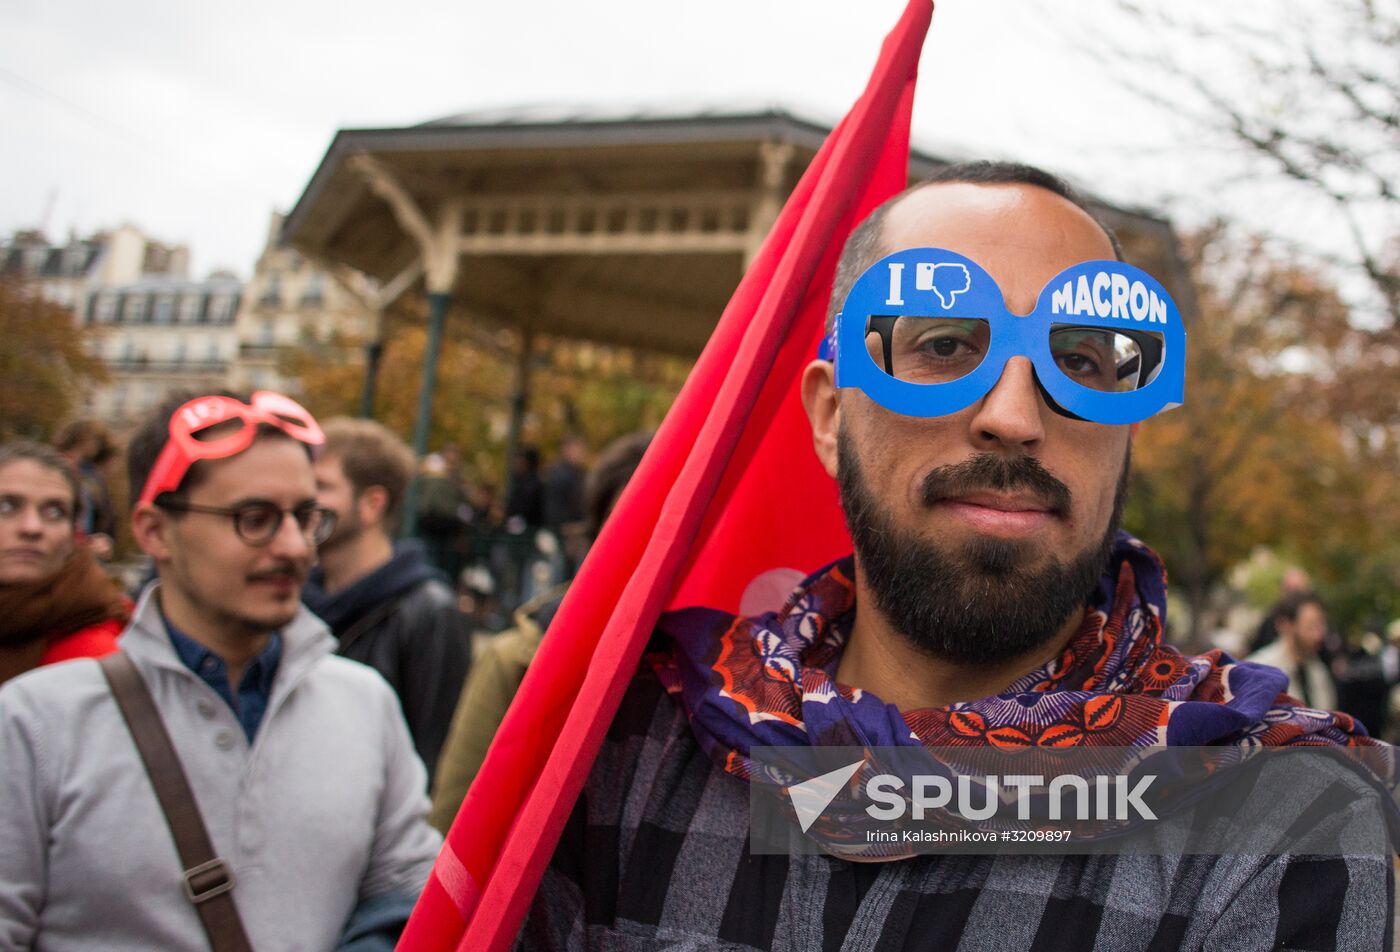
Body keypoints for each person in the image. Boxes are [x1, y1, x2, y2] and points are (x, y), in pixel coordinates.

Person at [516, 163, 1393, 950]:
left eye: (1082, 357)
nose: (1013, 414)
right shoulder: (630, 744)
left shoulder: (1280, 820)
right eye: (943, 344)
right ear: (830, 417)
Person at [0, 391, 441, 950]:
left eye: (306, 517)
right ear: (155, 530)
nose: (293, 547)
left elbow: (404, 894)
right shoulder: (36, 721)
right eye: (253, 518)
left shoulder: (365, 703)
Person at [430, 430, 651, 833]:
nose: (662, 552)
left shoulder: (771, 685)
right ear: (601, 539)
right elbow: (454, 834)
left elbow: (795, 852)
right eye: (640, 527)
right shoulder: (519, 663)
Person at [303, 417, 471, 785]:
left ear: (372, 504)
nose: (304, 500)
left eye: (321, 486)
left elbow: (434, 757)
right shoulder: (293, 605)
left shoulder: (429, 612)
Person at [0, 440, 128, 685]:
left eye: (54, 512)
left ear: (73, 535)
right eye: (7, 507)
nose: (31, 527)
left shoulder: (98, 664)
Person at [1248, 591, 1339, 711]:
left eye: (1321, 625)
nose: (1319, 635)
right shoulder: (1259, 670)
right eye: (1311, 626)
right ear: (1285, 625)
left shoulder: (1318, 669)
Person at [53, 420, 118, 560]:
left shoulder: (87, 473)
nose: (95, 445)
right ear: (81, 438)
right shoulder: (59, 467)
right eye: (92, 439)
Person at [542, 433, 589, 579]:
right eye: (578, 448)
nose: (581, 453)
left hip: (574, 532)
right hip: (563, 533)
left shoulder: (579, 474)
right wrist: (568, 527)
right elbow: (555, 507)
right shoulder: (561, 475)